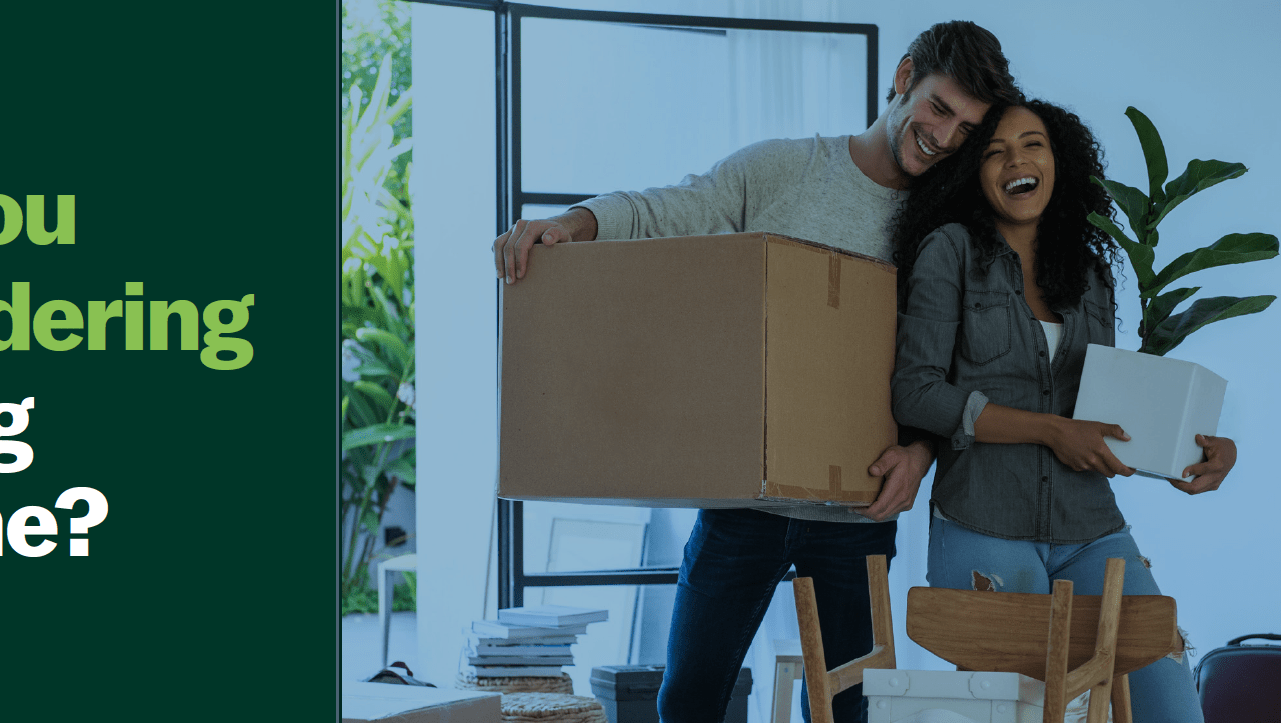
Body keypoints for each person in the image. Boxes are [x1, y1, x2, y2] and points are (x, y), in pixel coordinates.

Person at [492, 21, 1019, 723]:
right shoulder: (784, 169)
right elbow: (675, 207)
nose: (945, 137)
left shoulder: (942, 223)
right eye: (939, 108)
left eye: (966, 128)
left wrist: (921, 452)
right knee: (688, 699)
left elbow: (951, 357)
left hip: (855, 510)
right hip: (741, 499)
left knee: (844, 710)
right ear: (902, 77)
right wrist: (573, 224)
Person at [889, 99, 1238, 723]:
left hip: (1091, 528)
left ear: (1060, 161)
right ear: (973, 170)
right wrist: (1052, 431)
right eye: (994, 151)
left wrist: (1202, 450)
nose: (1016, 161)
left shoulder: (1090, 273)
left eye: (1033, 144)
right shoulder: (951, 252)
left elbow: (1105, 415)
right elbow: (917, 392)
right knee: (1035, 712)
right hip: (984, 526)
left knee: (1171, 705)